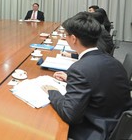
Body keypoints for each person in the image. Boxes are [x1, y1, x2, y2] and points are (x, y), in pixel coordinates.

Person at [46, 12, 132, 140]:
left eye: (66, 35)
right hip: (114, 123)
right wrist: (70, 78)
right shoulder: (113, 61)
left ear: (73, 39)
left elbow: (70, 114)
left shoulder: (80, 69)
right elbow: (99, 80)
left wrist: (52, 92)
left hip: (94, 131)